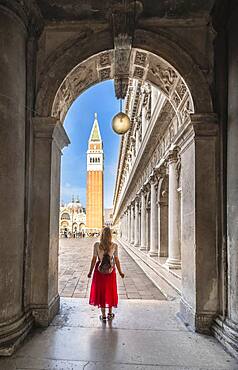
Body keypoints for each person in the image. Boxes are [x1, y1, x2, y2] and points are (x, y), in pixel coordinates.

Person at [87, 227, 124, 322]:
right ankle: (110, 314)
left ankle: (103, 316)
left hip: (99, 272)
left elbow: (94, 259)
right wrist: (120, 272)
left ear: (102, 235)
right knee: (110, 291)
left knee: (101, 292)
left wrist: (90, 272)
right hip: (110, 272)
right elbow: (116, 260)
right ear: (110, 235)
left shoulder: (97, 245)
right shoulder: (114, 246)